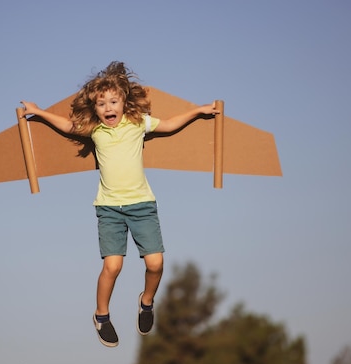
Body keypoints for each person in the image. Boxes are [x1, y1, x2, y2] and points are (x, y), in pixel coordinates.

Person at [21, 61, 218, 347]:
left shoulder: (138, 124)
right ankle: (101, 315)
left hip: (142, 206)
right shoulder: (95, 130)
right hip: (110, 209)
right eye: (102, 104)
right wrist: (38, 111)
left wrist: (198, 111)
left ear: (125, 101)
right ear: (95, 108)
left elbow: (170, 124)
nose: (108, 108)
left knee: (156, 263)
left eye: (114, 101)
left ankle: (146, 302)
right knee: (112, 267)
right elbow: (66, 125)